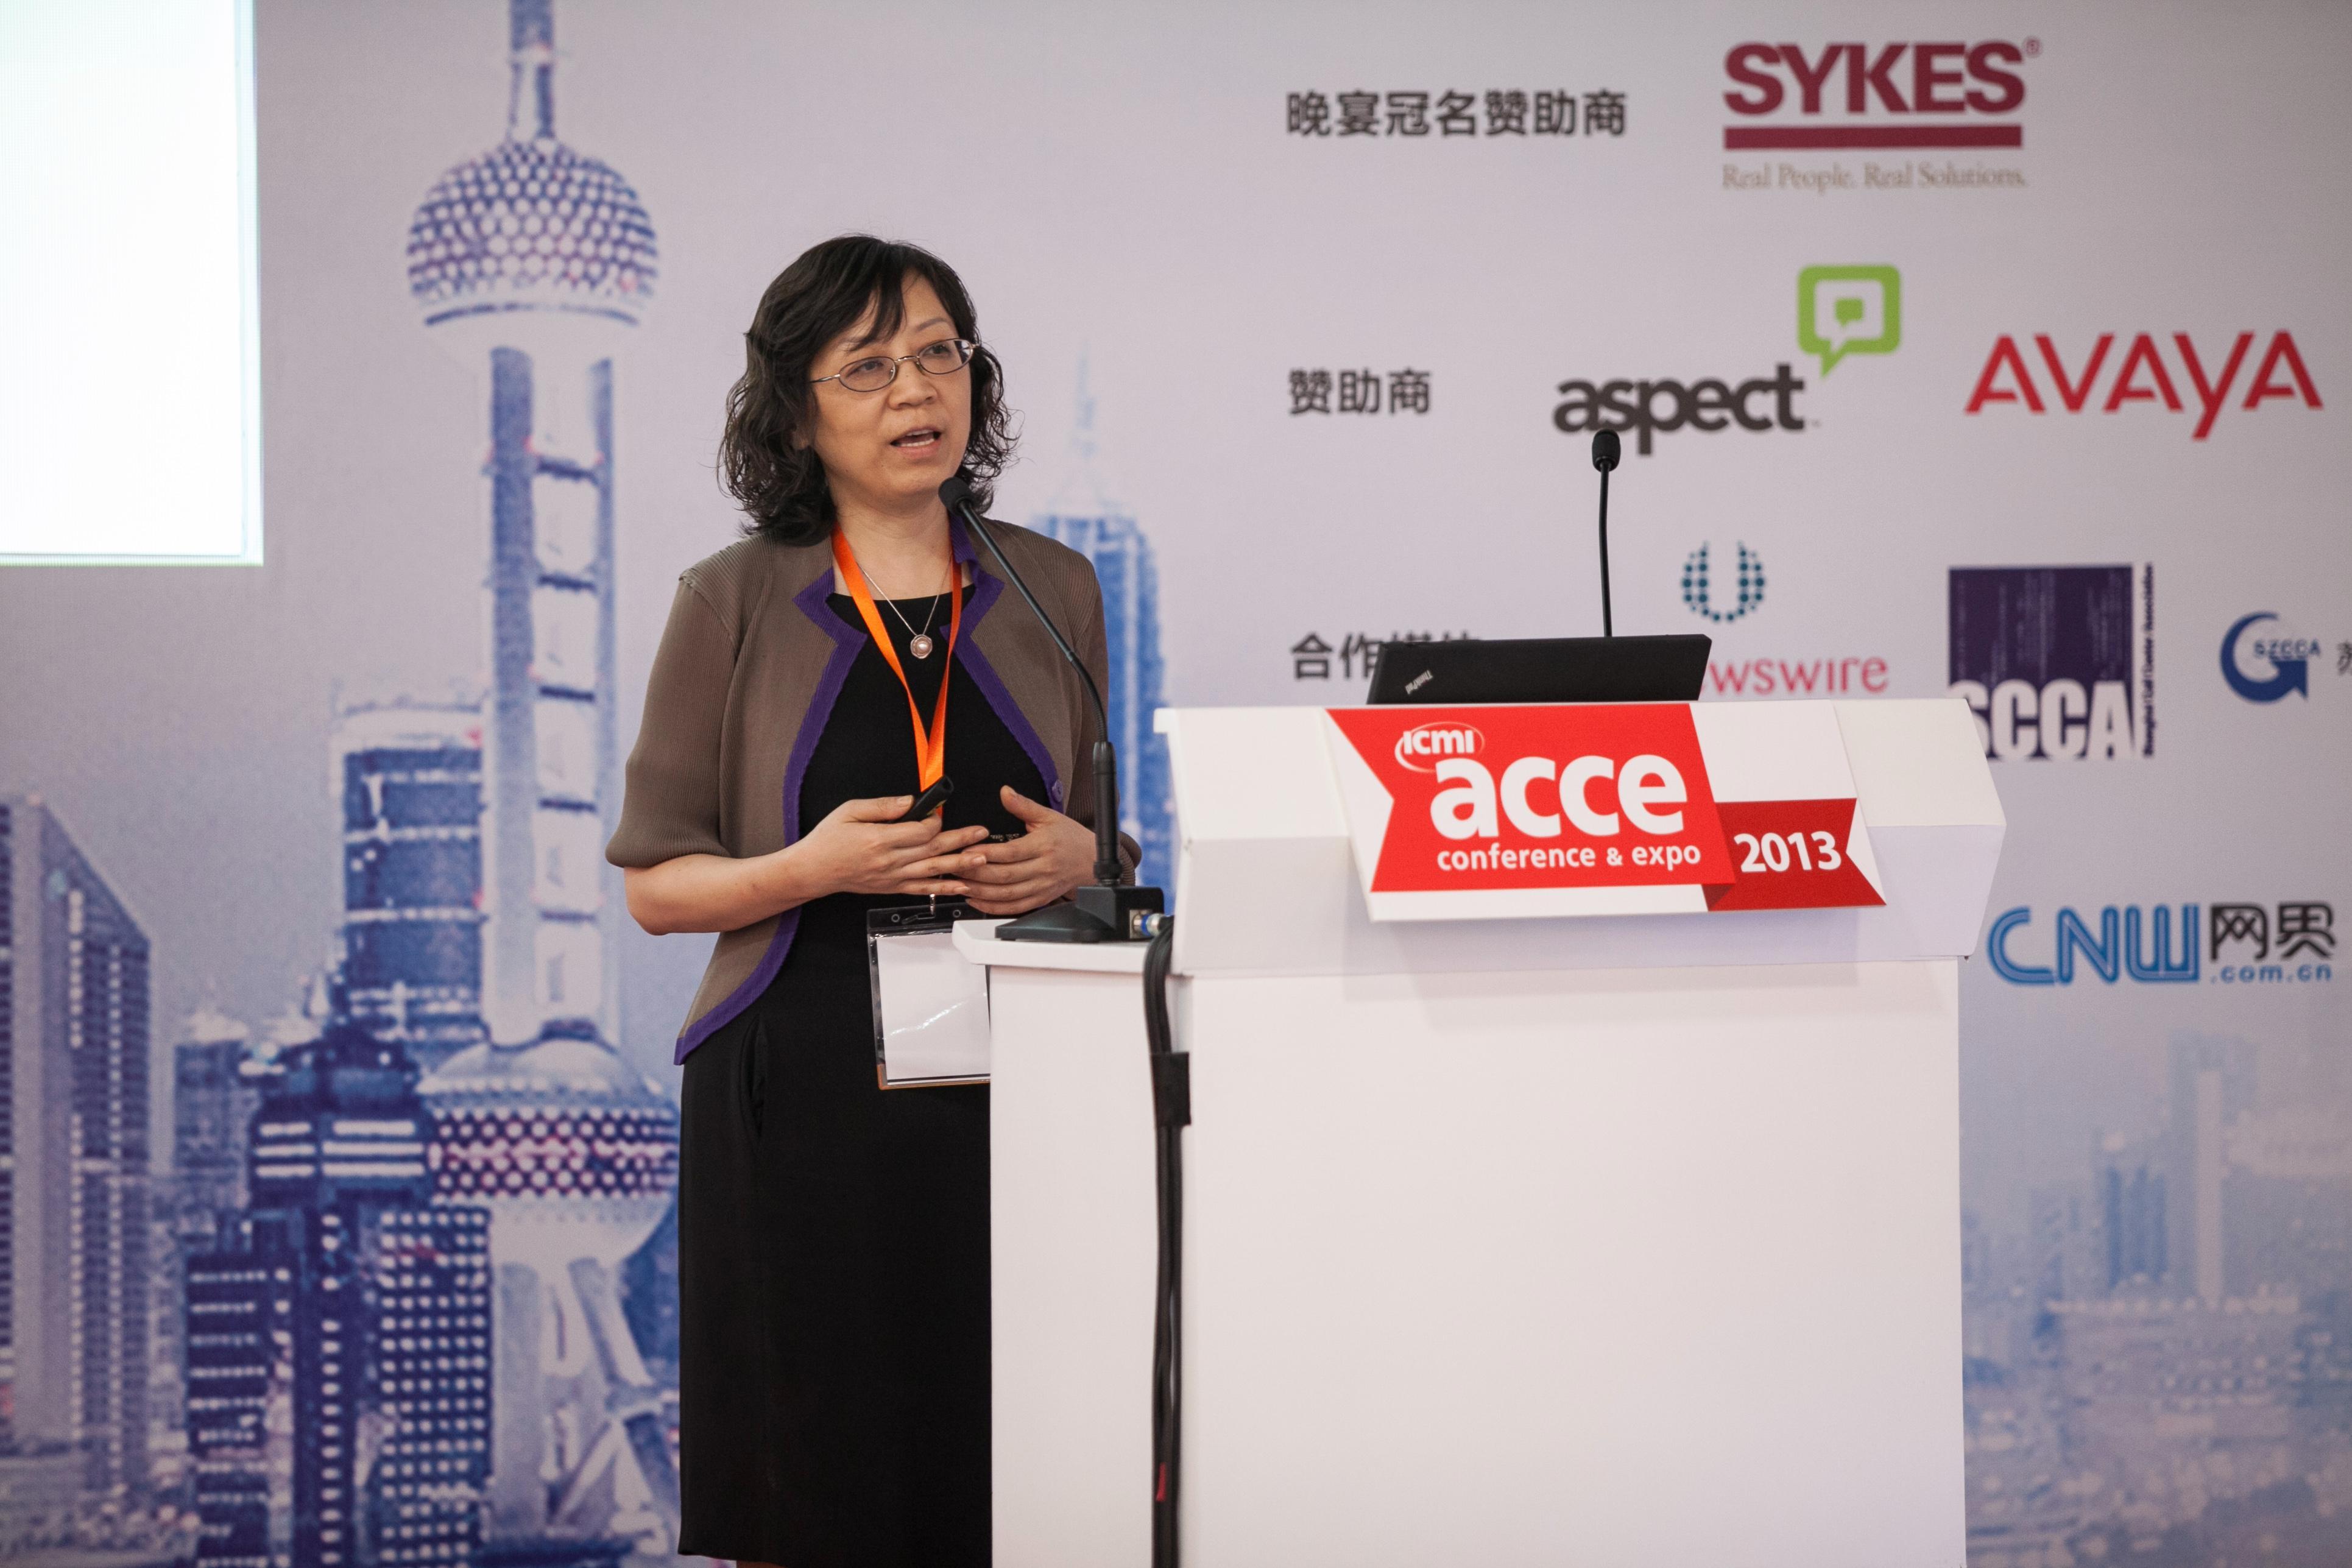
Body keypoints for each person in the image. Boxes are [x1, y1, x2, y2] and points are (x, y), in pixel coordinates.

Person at [606, 234, 1135, 1567]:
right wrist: (811, 868)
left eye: (939, 353)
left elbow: (1107, 848)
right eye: (869, 366)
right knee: (816, 1478)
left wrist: (1083, 860)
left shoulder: (1053, 586)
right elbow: (657, 886)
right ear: (796, 413)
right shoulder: (730, 598)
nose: (916, 389)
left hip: (1024, 1085)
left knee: (1015, 1463)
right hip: (801, 1083)